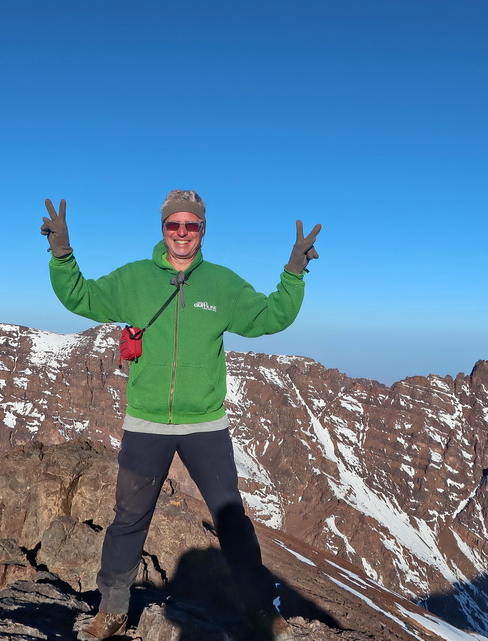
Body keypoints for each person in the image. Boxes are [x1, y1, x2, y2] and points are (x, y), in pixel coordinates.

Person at [41, 189, 320, 641]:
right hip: (146, 420)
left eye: (191, 225)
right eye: (174, 225)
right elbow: (81, 298)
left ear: (202, 230)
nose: (182, 233)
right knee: (129, 519)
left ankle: (260, 611)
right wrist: (61, 253)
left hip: (205, 424)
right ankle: (112, 609)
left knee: (231, 521)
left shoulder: (223, 284)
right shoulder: (134, 279)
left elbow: (269, 317)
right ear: (163, 229)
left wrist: (294, 272)